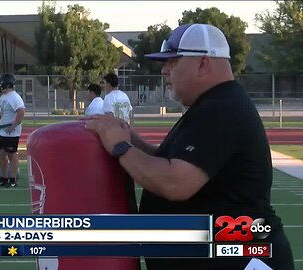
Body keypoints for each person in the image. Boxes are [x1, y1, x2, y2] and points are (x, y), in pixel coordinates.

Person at [86, 23, 294, 270]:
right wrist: (131, 139)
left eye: (173, 61)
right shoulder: (216, 104)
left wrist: (120, 146)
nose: (164, 70)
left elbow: (176, 182)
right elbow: (172, 163)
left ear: (203, 63)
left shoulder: (220, 108)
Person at [0, 73, 25, 188]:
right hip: (0, 130)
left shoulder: (14, 97)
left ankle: (12, 179)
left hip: (10, 132)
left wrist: (14, 125)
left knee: (12, 154)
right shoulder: (4, 96)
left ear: (5, 84)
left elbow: (21, 111)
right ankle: (4, 178)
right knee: (1, 154)